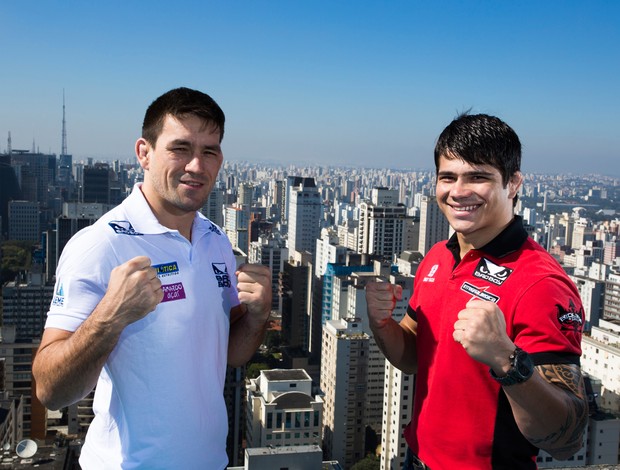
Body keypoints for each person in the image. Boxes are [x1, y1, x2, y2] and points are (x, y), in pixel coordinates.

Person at [33, 87, 272, 469]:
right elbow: (49, 389)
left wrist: (258, 316)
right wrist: (110, 317)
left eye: (209, 151)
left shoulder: (216, 241)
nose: (196, 165)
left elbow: (230, 354)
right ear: (144, 152)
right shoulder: (101, 244)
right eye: (181, 148)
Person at [366, 113, 587, 469]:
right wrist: (383, 326)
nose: (458, 191)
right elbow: (412, 358)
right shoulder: (438, 257)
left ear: (513, 184)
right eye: (448, 177)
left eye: (478, 177)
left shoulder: (541, 284)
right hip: (416, 458)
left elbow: (567, 437)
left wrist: (507, 360)